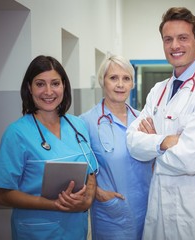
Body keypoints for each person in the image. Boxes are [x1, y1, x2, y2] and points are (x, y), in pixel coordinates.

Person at [126, 7, 195, 240]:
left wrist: (152, 149)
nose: (174, 45)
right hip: (160, 207)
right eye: (168, 39)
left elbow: (191, 159)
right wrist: (165, 141)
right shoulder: (158, 91)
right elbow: (132, 142)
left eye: (183, 38)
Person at [0, 55, 98, 240]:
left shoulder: (78, 126)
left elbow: (91, 174)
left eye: (55, 83)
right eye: (40, 84)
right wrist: (53, 204)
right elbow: (3, 195)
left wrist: (86, 201)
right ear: (29, 88)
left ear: (63, 86)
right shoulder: (17, 133)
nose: (48, 91)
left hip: (76, 231)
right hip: (37, 231)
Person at [80, 55, 153, 239]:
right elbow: (80, 169)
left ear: (132, 84)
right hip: (111, 214)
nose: (120, 84)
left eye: (126, 78)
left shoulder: (143, 120)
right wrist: (96, 192)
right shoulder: (86, 122)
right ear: (102, 81)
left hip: (148, 207)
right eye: (113, 78)